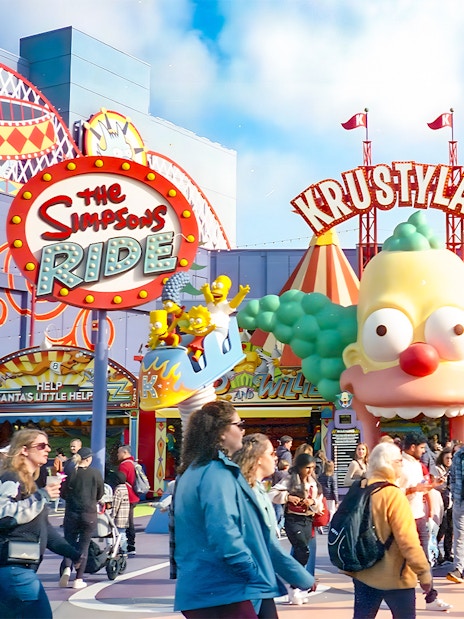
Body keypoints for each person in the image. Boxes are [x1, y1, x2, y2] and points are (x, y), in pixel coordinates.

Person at [173, 400, 292, 618]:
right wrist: (253, 572)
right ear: (221, 432)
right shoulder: (216, 473)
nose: (243, 430)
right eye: (239, 424)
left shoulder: (191, 471)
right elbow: (224, 532)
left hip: (200, 584)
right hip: (221, 587)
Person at [0, 429, 81, 619]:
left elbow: (45, 529)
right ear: (24, 450)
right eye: (42, 446)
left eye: (48, 445)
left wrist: (73, 553)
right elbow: (3, 515)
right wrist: (42, 496)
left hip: (19, 568)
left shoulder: (30, 483)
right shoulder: (12, 478)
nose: (48, 449)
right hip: (14, 569)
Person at [346, 441, 432, 619]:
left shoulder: (361, 488)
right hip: (395, 576)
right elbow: (407, 540)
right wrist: (423, 573)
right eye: (399, 461)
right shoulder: (393, 495)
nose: (402, 465)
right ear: (390, 464)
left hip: (363, 571)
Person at [232, 433, 315, 606]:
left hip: (259, 579)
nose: (276, 457)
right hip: (247, 580)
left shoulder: (257, 487)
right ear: (258, 459)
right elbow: (268, 545)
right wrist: (303, 578)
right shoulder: (246, 491)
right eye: (271, 453)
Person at [398, 431, 452, 612]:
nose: (423, 451)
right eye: (421, 448)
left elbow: (422, 487)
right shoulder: (399, 465)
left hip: (418, 516)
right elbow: (392, 493)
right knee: (400, 560)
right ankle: (392, 595)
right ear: (412, 447)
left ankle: (430, 597)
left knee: (424, 559)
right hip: (402, 518)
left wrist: (432, 485)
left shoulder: (419, 465)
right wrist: (414, 489)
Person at [270, 454, 324, 575]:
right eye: (307, 468)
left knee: (302, 551)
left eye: (312, 468)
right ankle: (297, 578)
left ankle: (294, 576)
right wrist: (288, 497)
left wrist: (313, 501)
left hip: (308, 520)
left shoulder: (313, 482)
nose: (310, 471)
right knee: (302, 549)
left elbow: (319, 499)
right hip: (293, 519)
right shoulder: (290, 479)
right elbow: (272, 493)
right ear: (299, 467)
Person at [59, 447, 104, 589]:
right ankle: (78, 579)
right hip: (88, 513)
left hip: (71, 513)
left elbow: (63, 492)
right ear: (89, 459)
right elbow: (100, 493)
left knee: (69, 542)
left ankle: (66, 569)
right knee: (83, 546)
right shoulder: (95, 474)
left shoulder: (71, 472)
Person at [117, 444, 140, 554]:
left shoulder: (124, 466)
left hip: (127, 496)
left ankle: (128, 545)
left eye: (119, 452)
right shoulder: (134, 464)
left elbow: (121, 480)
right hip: (134, 495)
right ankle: (131, 544)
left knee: (126, 522)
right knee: (130, 521)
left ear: (125, 453)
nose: (117, 455)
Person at [447, 441, 464, 583]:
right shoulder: (458, 456)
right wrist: (454, 494)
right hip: (460, 501)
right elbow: (452, 478)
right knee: (459, 536)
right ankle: (459, 569)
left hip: (459, 500)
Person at [435, 447, 454, 565]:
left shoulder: (453, 469)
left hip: (451, 502)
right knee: (441, 528)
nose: (449, 460)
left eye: (451, 458)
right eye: (446, 458)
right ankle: (436, 552)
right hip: (441, 502)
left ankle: (448, 553)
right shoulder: (437, 469)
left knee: (450, 529)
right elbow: (436, 486)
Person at [110, 470, 130, 555]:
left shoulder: (118, 490)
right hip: (125, 516)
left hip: (119, 517)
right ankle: (124, 550)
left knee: (119, 534)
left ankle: (122, 549)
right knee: (122, 533)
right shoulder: (125, 488)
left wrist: (112, 515)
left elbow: (115, 504)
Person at [318, 459, 339, 526]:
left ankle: (321, 524)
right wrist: (336, 501)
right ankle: (330, 524)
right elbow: (334, 489)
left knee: (323, 510)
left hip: (322, 496)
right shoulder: (333, 476)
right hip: (331, 496)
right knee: (332, 511)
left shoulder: (321, 476)